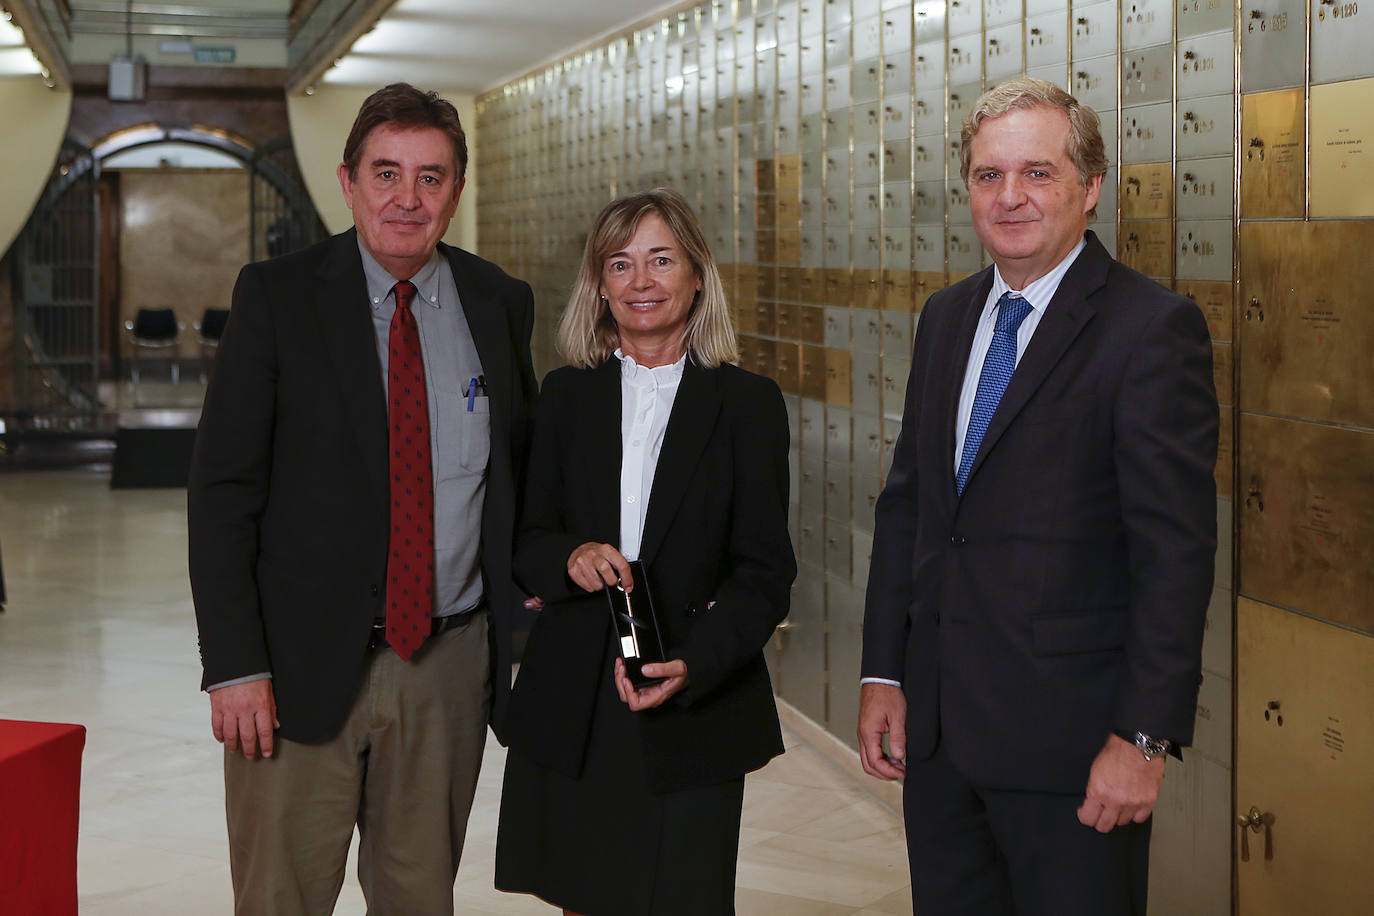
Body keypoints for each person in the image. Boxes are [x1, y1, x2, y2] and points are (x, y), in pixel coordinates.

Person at [858, 77, 1219, 914]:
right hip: (942, 743)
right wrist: (884, 672)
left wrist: (1142, 737)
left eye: (1038, 173)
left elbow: (1174, 554)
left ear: (1090, 187)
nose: (1010, 196)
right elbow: (909, 508)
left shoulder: (1150, 329)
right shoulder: (946, 317)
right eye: (989, 175)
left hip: (1074, 751)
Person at [187, 82, 537, 915]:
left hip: (447, 663)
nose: (406, 199)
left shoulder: (499, 302)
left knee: (420, 899)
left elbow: (519, 478)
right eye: (386, 173)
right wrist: (235, 664)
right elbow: (223, 490)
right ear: (347, 183)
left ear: (457, 190)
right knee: (282, 898)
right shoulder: (277, 297)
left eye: (430, 177)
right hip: (297, 666)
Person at [494, 188, 796, 915]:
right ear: (599, 284)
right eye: (620, 264)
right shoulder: (565, 397)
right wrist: (567, 557)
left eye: (661, 260)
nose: (641, 282)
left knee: (683, 897)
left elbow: (765, 572)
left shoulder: (748, 404)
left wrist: (695, 663)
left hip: (693, 689)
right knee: (584, 896)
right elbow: (526, 542)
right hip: (575, 696)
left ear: (697, 273)